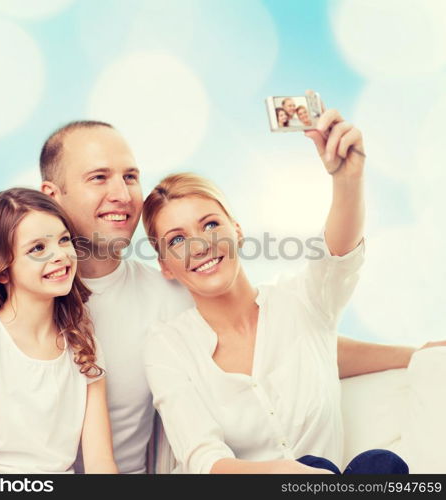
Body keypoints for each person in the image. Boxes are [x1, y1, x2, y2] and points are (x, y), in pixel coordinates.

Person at [0, 120, 439, 474]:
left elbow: (286, 340)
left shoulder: (170, 295)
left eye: (131, 176)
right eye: (98, 178)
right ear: (53, 195)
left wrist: (415, 354)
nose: (122, 194)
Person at [140, 109, 410, 473]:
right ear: (165, 266)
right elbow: (203, 459)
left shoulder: (302, 304)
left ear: (237, 230)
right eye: (177, 240)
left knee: (380, 467)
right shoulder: (168, 347)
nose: (200, 246)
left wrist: (348, 179)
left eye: (210, 224)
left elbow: (338, 257)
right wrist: (284, 474)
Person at [0, 188, 116, 474]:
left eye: (63, 240)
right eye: (37, 248)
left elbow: (100, 463)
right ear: (1, 271)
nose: (60, 255)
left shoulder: (85, 345)